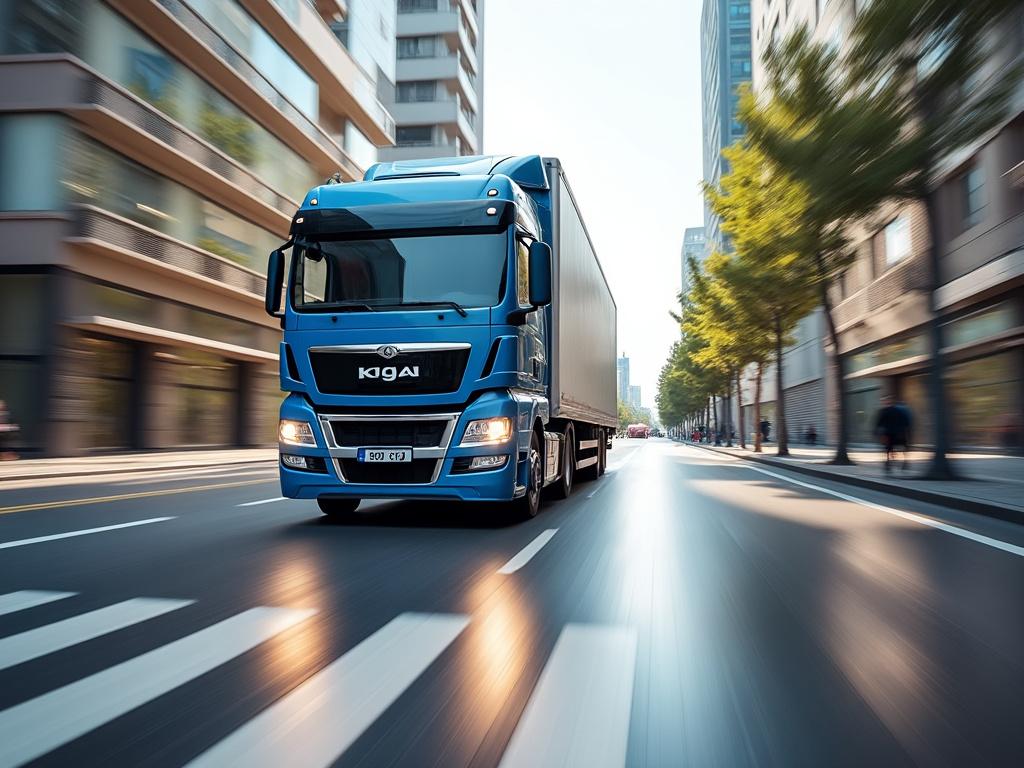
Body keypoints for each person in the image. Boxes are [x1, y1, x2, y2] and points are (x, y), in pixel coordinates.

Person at [875, 395, 912, 473]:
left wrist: (905, 429)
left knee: (897, 448)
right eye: (885, 401)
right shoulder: (885, 411)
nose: (885, 402)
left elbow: (904, 420)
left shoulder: (894, 411)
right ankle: (889, 463)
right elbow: (879, 422)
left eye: (886, 401)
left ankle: (902, 462)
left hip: (896, 432)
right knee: (890, 448)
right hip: (890, 433)